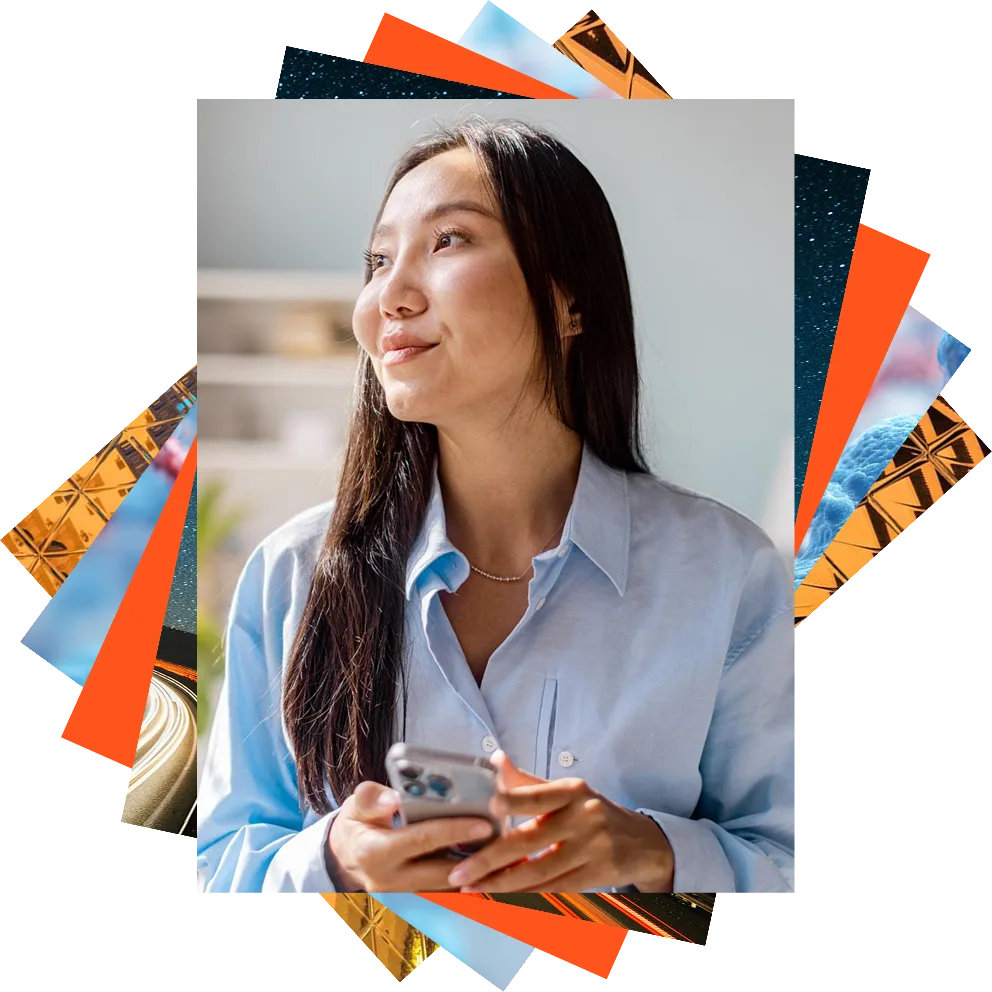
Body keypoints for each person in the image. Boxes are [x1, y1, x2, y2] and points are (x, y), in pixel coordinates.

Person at [197, 116, 797, 897]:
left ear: (570, 301)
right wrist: (333, 861)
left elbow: (785, 856)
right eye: (377, 261)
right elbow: (217, 867)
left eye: (448, 241)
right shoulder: (291, 575)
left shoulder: (729, 576)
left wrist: (652, 850)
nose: (390, 296)